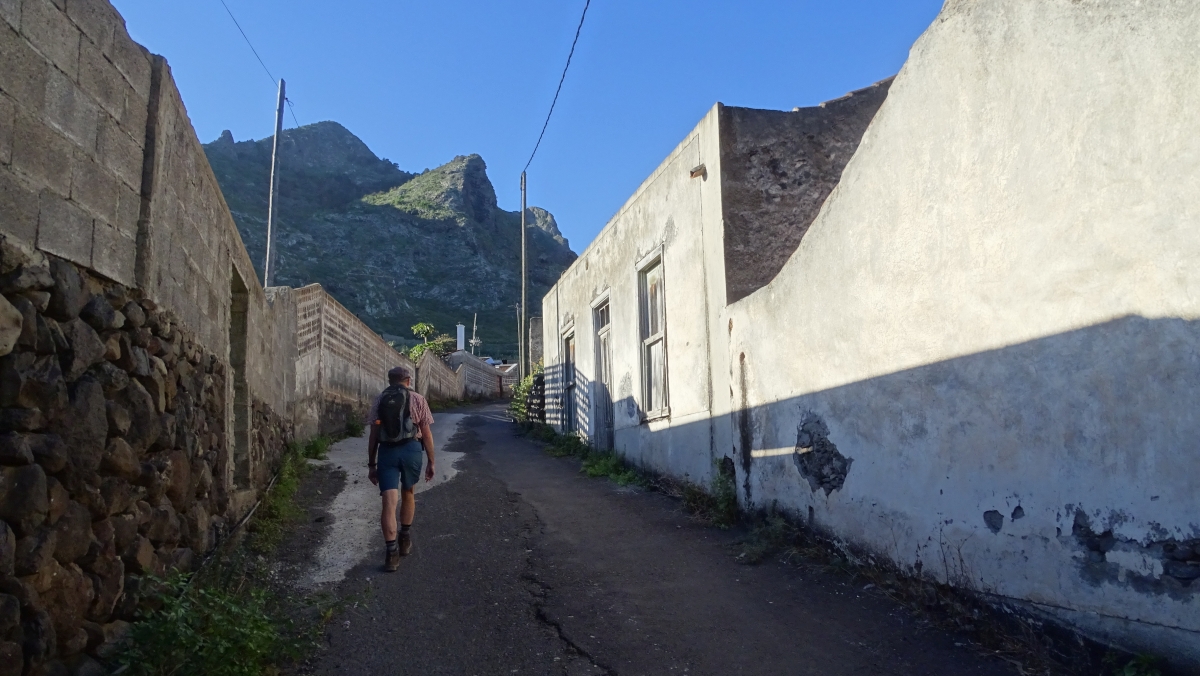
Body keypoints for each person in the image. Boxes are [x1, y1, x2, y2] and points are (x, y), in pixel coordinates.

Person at [367, 366, 435, 572]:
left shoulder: (379, 400)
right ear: (408, 380)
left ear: (389, 380)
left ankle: (391, 555)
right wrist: (432, 461)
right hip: (411, 450)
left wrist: (372, 464)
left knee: (388, 501)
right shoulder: (418, 399)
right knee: (408, 493)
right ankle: (405, 539)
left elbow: (373, 435)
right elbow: (427, 433)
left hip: (387, 452)